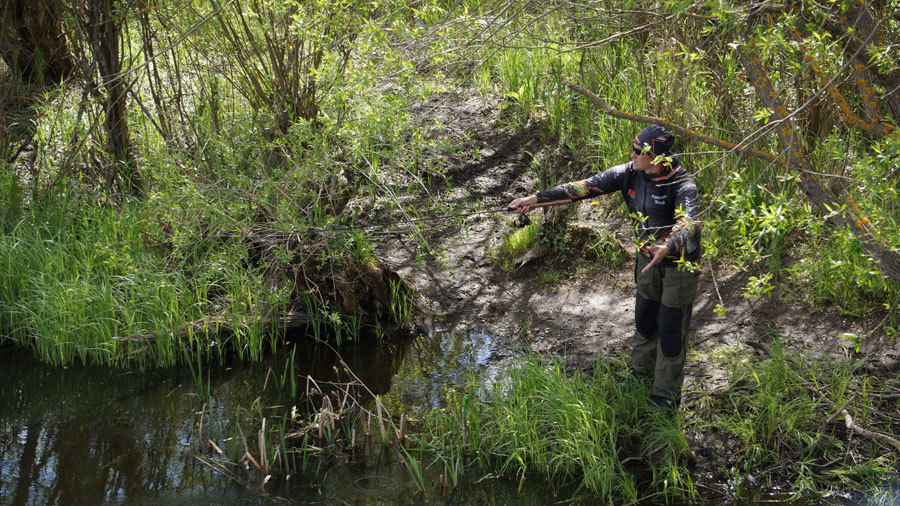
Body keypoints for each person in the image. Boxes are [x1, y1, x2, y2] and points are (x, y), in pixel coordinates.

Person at [508, 125, 701, 409]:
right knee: (645, 320)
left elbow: (689, 224)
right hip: (646, 261)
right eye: (633, 148)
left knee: (672, 330)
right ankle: (640, 375)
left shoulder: (684, 184)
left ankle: (665, 395)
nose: (632, 154)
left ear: (656, 155)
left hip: (678, 267)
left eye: (638, 151)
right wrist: (533, 201)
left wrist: (668, 247)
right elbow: (582, 188)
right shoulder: (628, 173)